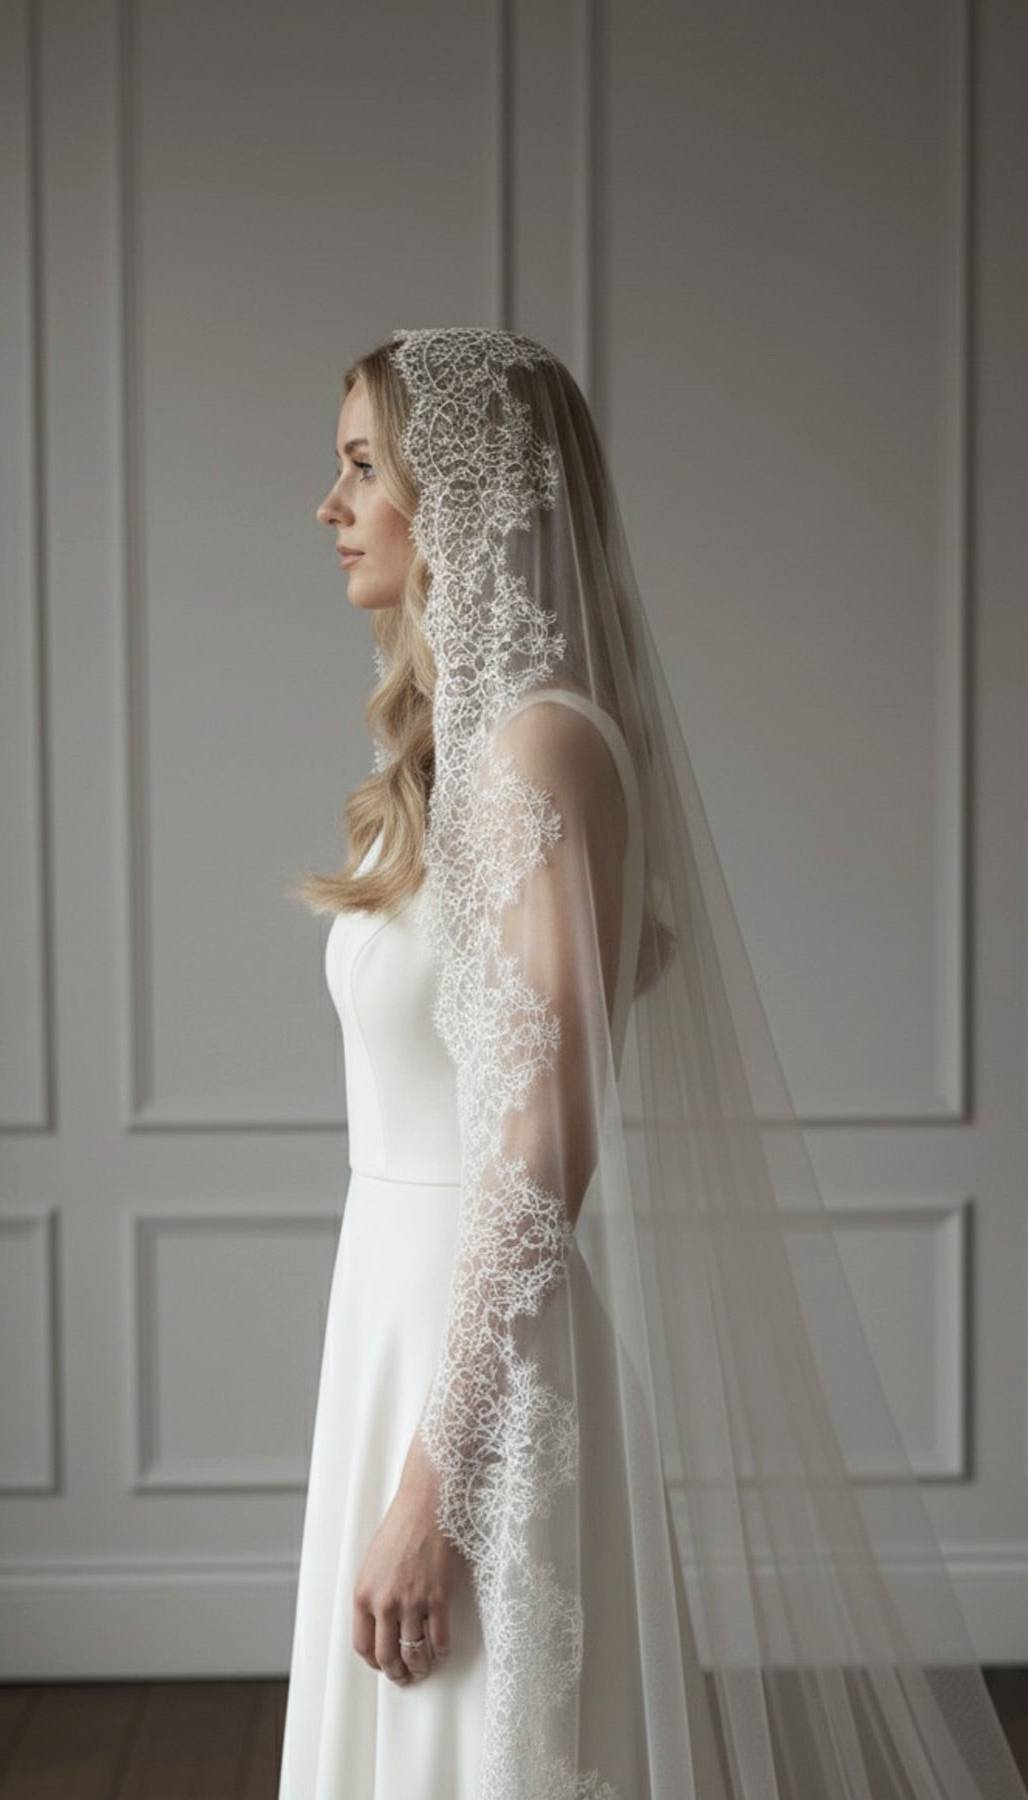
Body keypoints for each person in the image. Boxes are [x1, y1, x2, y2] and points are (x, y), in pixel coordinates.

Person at [278, 327, 1028, 1800]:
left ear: (460, 496)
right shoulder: (456, 759)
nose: (332, 504)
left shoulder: (536, 754)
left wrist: (434, 1484)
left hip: (470, 1356)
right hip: (391, 1315)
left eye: (363, 466)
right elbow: (616, 971)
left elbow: (549, 1133)